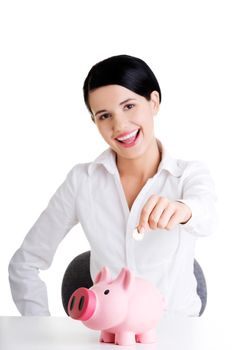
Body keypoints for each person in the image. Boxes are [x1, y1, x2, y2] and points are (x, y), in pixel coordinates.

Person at [8, 54, 217, 317]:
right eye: (105, 115)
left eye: (129, 106)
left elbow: (206, 215)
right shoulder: (82, 182)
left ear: (153, 102)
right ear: (95, 122)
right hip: (106, 337)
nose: (119, 126)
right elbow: (24, 263)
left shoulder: (188, 175)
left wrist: (183, 210)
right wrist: (40, 330)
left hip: (177, 334)